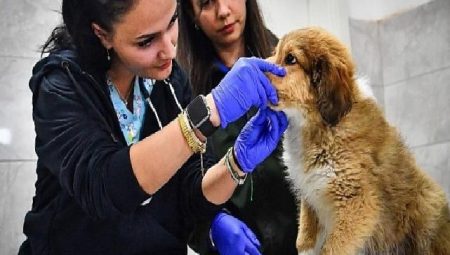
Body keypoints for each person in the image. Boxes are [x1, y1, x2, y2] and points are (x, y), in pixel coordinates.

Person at [18, 0, 288, 254]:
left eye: (172, 22)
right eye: (146, 41)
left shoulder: (168, 81)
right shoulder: (62, 85)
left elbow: (192, 189)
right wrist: (211, 110)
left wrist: (235, 164)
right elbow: (103, 185)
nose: (170, 50)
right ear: (102, 34)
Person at [177, 0, 298, 254]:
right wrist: (210, 225)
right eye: (207, 3)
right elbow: (178, 194)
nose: (223, 11)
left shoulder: (290, 64)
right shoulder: (183, 91)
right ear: (192, 14)